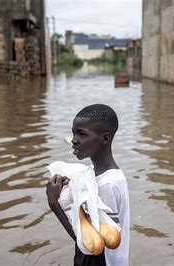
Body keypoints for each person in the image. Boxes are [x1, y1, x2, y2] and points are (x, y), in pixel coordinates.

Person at [46, 104, 130, 266]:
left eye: (82, 134)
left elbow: (92, 246)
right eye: (73, 133)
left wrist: (54, 203)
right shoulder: (102, 175)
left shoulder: (107, 185)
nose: (74, 140)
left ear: (104, 139)